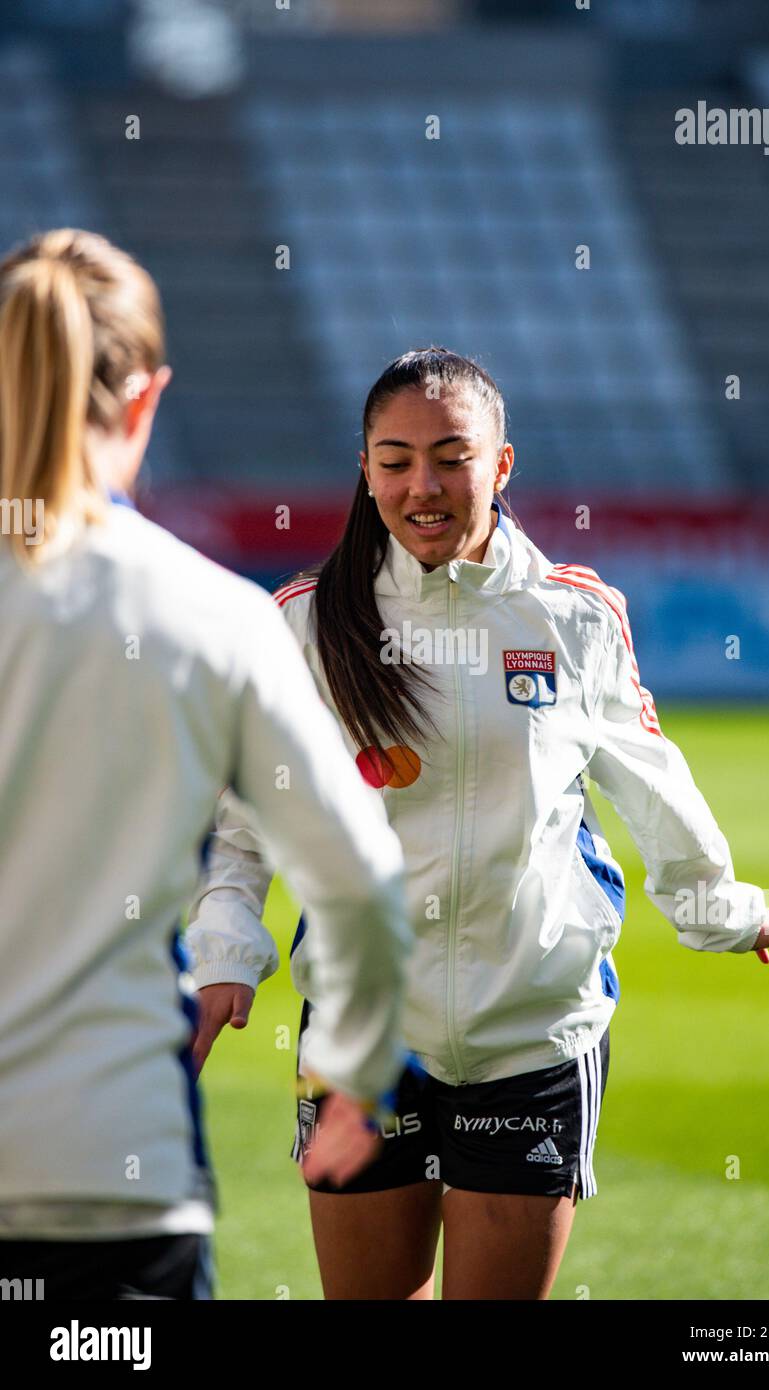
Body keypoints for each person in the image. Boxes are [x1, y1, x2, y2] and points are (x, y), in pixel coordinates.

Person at [187, 347, 769, 1301]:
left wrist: (725, 907)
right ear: (364, 469)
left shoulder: (574, 617)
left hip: (532, 1031)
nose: (423, 485)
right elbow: (241, 818)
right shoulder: (308, 625)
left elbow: (648, 777)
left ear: (503, 464)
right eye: (394, 460)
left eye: (451, 455)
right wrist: (228, 945)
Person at [0, 229, 414, 1300]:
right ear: (146, 400)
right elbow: (361, 877)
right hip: (112, 1174)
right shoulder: (215, 616)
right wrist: (359, 1075)